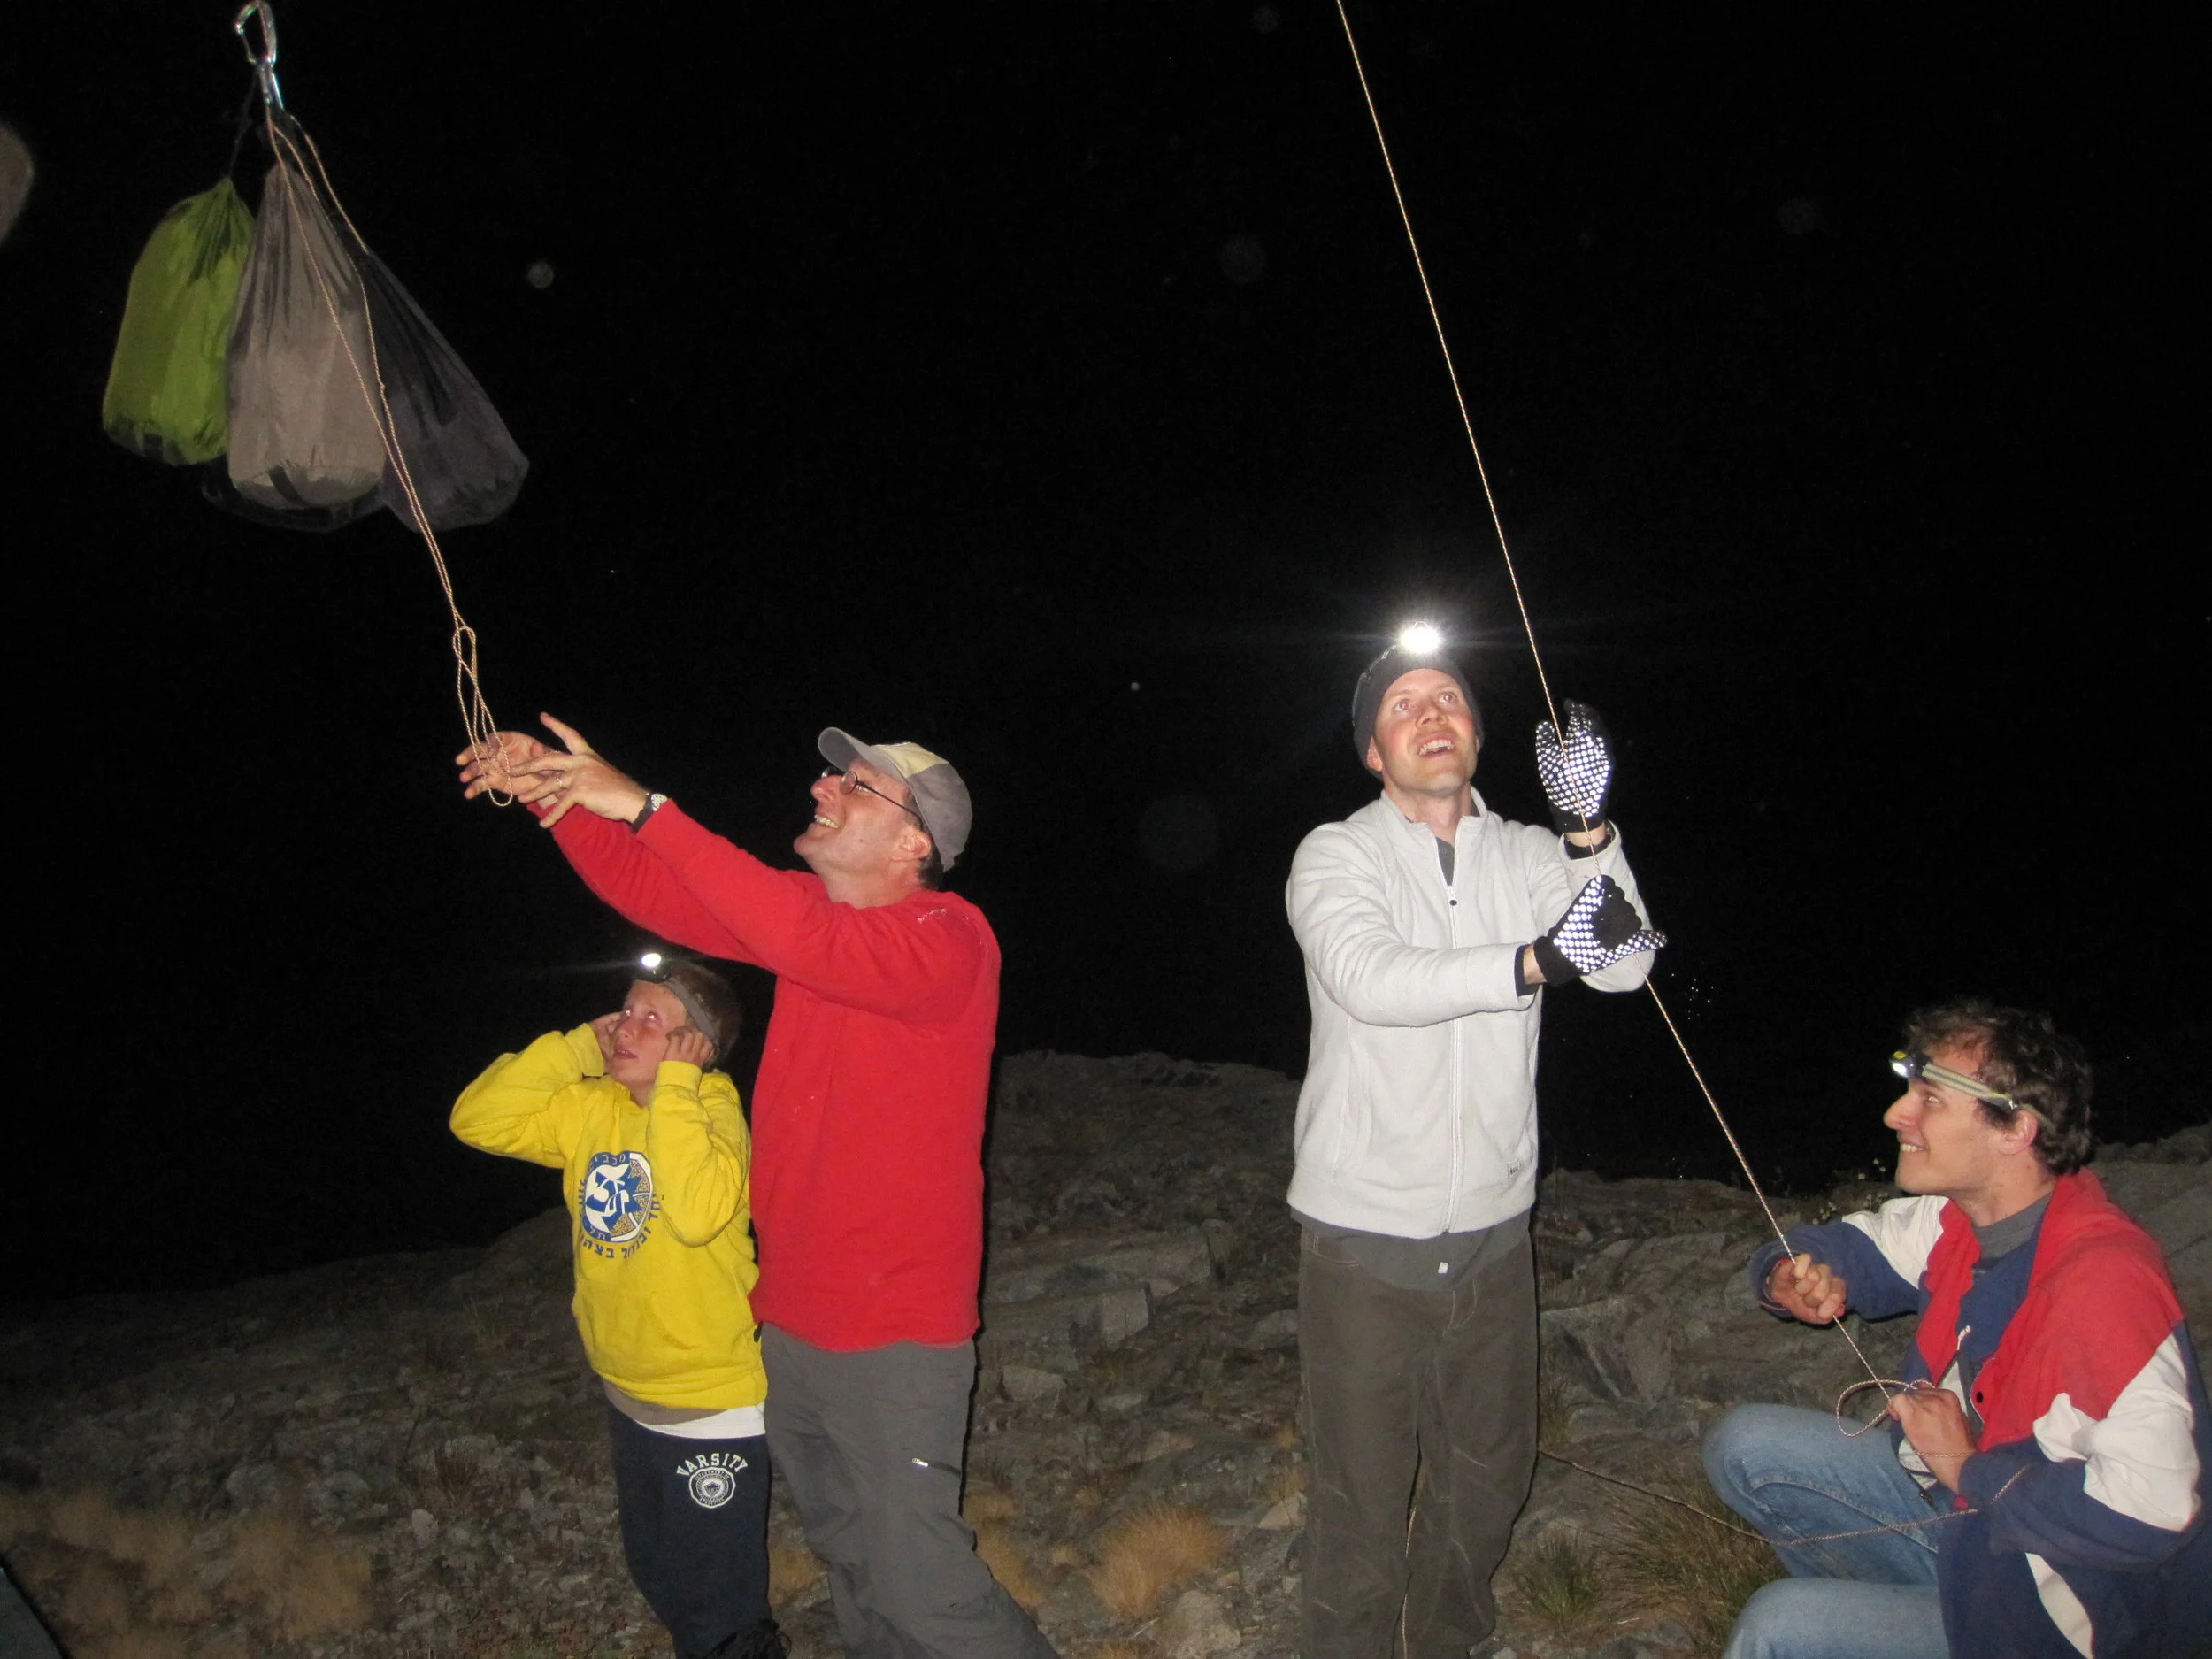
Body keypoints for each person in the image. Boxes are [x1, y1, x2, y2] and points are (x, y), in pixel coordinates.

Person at [457, 716, 1056, 1659]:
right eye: (832, 779)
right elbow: (660, 887)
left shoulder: (947, 936)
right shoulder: (814, 934)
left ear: (915, 844)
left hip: (895, 1327)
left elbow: (773, 916)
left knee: (918, 1576)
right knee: (850, 1557)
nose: (821, 789)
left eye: (854, 786)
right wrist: (552, 794)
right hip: (789, 1317)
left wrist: (648, 806)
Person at [1285, 638, 1663, 1659]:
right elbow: (1373, 977)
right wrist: (1535, 960)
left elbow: (1626, 969)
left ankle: (1443, 1644)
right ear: (1374, 751)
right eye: (1402, 705)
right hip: (1363, 1239)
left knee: (1487, 1484)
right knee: (1360, 1499)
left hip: (1497, 1232)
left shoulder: (1532, 854)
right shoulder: (1335, 853)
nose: (1429, 714)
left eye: (1446, 698)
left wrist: (1590, 831)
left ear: (1478, 734)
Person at [1702, 998, 2211, 1659]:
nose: (1896, 1113)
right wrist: (1787, 1275)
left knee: (1775, 1629)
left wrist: (1969, 1467)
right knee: (1742, 1444)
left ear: (2015, 1129)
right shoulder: (1963, 1219)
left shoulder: (2101, 1286)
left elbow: (2158, 1508)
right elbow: (1853, 1247)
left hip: (2063, 1610)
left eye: (1930, 1097)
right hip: (1969, 1523)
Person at [451, 959, 787, 1659]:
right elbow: (476, 1118)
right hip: (629, 1394)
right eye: (624, 1010)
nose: (625, 1028)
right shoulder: (590, 1107)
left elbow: (695, 1214)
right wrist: (574, 1047)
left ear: (694, 1046)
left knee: (722, 1612)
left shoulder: (713, 1109)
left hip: (709, 1402)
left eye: (651, 1020)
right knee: (659, 1573)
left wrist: (677, 1086)